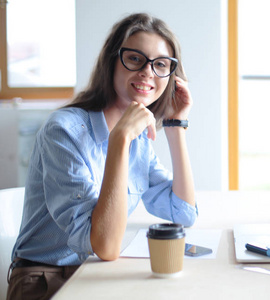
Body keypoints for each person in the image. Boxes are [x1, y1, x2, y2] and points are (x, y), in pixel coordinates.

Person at [6, 13, 197, 300]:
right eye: (135, 59)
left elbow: (183, 213)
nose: (148, 72)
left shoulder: (140, 139)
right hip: (47, 280)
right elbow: (105, 246)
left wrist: (174, 126)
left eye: (160, 64)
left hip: (98, 274)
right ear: (111, 63)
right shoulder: (65, 131)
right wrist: (119, 139)